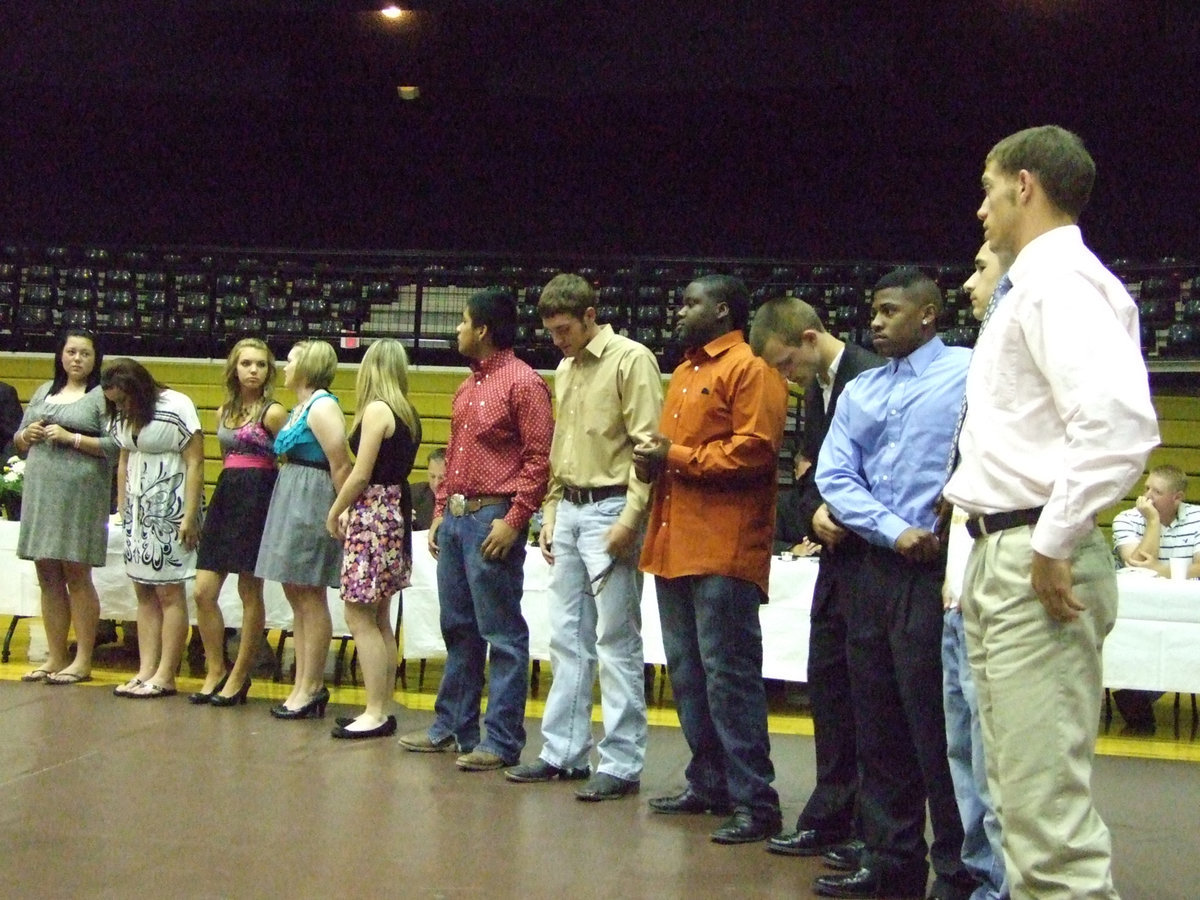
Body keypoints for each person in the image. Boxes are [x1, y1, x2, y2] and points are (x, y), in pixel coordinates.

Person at [943, 125, 1159, 900]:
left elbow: (1120, 428)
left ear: (1023, 185)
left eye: (987, 186)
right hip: (1008, 546)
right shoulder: (1035, 284)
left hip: (1035, 548)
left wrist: (1053, 540)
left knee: (1045, 823)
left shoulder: (1058, 283)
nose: (980, 208)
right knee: (1015, 805)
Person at [813, 268, 974, 899]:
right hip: (877, 565)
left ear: (928, 314)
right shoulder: (861, 391)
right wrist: (890, 529)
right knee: (876, 717)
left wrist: (957, 503)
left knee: (935, 724)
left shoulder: (968, 371)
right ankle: (892, 860)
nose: (875, 323)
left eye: (889, 311)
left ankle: (959, 869)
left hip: (937, 567)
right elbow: (836, 476)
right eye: (873, 312)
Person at [635, 274, 787, 845]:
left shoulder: (750, 370)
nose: (679, 310)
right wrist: (651, 460)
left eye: (691, 302)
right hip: (674, 545)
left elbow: (754, 451)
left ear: (722, 310)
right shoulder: (684, 372)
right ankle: (709, 782)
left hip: (723, 546)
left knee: (730, 678)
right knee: (690, 675)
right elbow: (677, 455)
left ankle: (756, 802)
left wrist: (672, 455)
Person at [504, 273, 662, 800]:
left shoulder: (630, 359)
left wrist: (631, 517)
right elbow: (559, 449)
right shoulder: (566, 368)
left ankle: (621, 762)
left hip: (612, 505)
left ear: (591, 315)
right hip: (569, 506)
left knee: (615, 639)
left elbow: (647, 446)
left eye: (564, 329)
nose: (557, 340)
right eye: (550, 331)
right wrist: (549, 511)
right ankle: (563, 751)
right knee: (566, 636)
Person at [748, 295, 885, 869]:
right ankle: (828, 816)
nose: (783, 377)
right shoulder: (815, 389)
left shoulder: (871, 374)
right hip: (834, 563)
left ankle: (871, 829)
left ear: (809, 338)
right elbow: (806, 475)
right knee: (827, 689)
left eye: (785, 364)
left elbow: (887, 468)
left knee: (872, 703)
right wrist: (815, 513)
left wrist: (842, 511)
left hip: (875, 562)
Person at [398, 288, 553, 771]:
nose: (457, 331)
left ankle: (502, 741)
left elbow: (538, 460)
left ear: (483, 329)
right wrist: (442, 509)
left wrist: (515, 520)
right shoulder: (467, 388)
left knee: (502, 633)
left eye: (463, 322)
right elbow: (454, 455)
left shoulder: (524, 383)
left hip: (492, 518)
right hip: (462, 517)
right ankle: (455, 728)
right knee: (459, 628)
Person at [941, 243, 1012, 900]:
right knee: (965, 752)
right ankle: (981, 877)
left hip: (999, 579)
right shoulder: (983, 366)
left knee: (997, 756)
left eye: (981, 268)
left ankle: (1003, 886)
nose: (968, 283)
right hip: (960, 589)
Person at [325, 338, 422, 739]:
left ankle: (374, 709)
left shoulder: (377, 410)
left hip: (372, 513)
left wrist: (336, 509)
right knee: (380, 615)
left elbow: (361, 473)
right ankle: (380, 706)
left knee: (358, 613)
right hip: (395, 509)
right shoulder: (409, 413)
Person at [14, 329, 118, 685]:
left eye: (85, 354)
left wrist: (71, 437)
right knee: (47, 573)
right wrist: (25, 437)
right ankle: (55, 657)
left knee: (77, 572)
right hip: (42, 490)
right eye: (71, 352)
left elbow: (115, 446)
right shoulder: (44, 390)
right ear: (60, 355)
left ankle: (83, 659)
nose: (77, 359)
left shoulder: (102, 397)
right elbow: (19, 435)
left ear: (95, 359)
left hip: (81, 494)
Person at [188, 338, 287, 706]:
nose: (253, 370)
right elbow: (224, 455)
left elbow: (288, 457)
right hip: (227, 492)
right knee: (203, 590)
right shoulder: (223, 411)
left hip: (258, 494)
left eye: (261, 364)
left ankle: (241, 674)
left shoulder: (273, 412)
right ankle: (216, 667)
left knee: (250, 591)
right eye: (246, 363)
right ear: (234, 368)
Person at [256, 340, 351, 720]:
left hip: (312, 498)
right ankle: (302, 681)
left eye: (291, 360)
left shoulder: (323, 406)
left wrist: (340, 508)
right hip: (293, 493)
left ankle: (312, 684)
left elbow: (341, 464)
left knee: (310, 594)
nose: (284, 366)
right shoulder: (300, 407)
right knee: (296, 592)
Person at [103, 358, 205, 698]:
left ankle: (166, 673)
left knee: (169, 591)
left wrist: (190, 515)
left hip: (169, 507)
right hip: (136, 509)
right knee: (143, 591)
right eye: (115, 401)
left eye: (124, 398)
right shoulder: (120, 412)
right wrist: (121, 509)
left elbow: (195, 461)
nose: (120, 405)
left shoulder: (177, 405)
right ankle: (146, 669)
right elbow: (123, 458)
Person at [1109, 464, 1199, 733]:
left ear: (1177, 498)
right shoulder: (1127, 517)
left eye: (1156, 492)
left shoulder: (1197, 517)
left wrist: (1161, 569)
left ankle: (1141, 694)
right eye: (1146, 488)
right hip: (1140, 604)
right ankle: (1136, 693)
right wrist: (1153, 522)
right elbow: (1136, 563)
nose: (1146, 497)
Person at [771, 449, 821, 558]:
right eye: (805, 476)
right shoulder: (782, 502)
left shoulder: (836, 504)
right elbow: (770, 542)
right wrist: (795, 549)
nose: (810, 481)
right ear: (796, 473)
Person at [411, 446, 445, 531]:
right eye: (432, 476)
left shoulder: (461, 500)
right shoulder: (413, 494)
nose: (436, 483)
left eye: (441, 478)